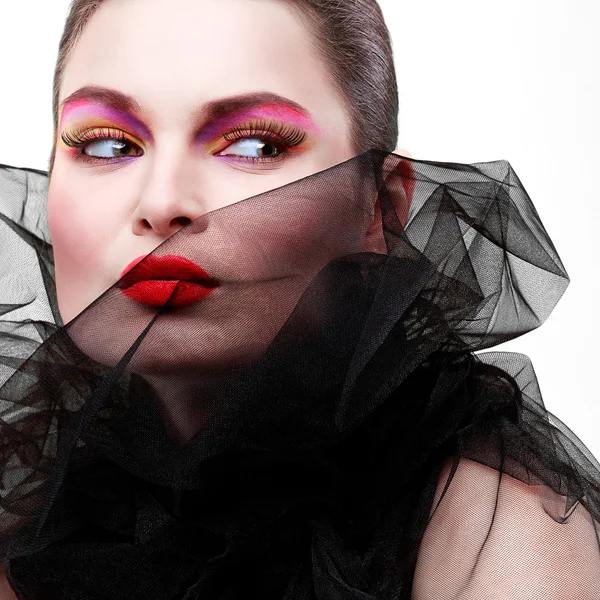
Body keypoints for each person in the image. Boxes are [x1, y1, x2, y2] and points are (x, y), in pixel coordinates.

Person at [0, 0, 598, 598]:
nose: (161, 202)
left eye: (256, 146)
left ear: (381, 207)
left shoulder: (497, 523)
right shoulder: (30, 503)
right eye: (107, 146)